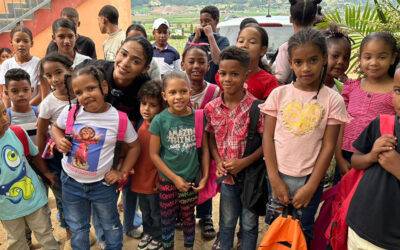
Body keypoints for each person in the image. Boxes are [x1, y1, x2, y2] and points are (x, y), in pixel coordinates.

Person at [261, 28, 349, 246]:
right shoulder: (278, 94)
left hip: (310, 178)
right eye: (298, 62)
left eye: (313, 60)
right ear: (290, 63)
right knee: (275, 228)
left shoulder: (333, 100)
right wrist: (274, 178)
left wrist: (311, 187)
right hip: (278, 175)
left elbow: (328, 146)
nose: (306, 68)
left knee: (303, 230)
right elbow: (268, 138)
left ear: (323, 60)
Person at [52, 64, 141, 250]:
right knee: (77, 227)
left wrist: (122, 172)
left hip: (103, 186)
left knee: (111, 226)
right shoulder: (72, 112)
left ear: (104, 87)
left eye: (91, 88)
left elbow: (134, 146)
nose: (85, 95)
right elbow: (55, 127)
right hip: (70, 182)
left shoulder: (119, 119)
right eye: (78, 92)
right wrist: (59, 139)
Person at [205, 46, 264, 250]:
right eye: (223, 73)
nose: (227, 79)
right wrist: (219, 161)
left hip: (251, 179)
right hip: (228, 179)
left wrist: (244, 162)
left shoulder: (257, 107)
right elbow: (211, 138)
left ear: (245, 75)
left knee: (249, 224)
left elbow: (267, 144)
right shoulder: (211, 108)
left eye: (234, 74)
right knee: (227, 223)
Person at [149, 71, 210, 250]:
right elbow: (154, 154)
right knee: (167, 218)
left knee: (188, 216)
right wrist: (175, 179)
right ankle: (168, 246)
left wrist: (205, 176)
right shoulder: (160, 121)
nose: (178, 97)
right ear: (164, 96)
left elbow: (205, 150)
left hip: (190, 181)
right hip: (168, 181)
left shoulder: (198, 117)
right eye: (173, 92)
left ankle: (189, 246)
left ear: (190, 92)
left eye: (183, 91)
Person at [346, 69, 400, 250]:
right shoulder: (383, 124)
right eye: (398, 91)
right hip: (358, 224)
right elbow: (356, 160)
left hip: (391, 240)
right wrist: (372, 155)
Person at [335, 32, 398, 181]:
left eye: (382, 57)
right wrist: (339, 157)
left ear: (393, 58)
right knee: (341, 198)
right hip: (345, 153)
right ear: (360, 59)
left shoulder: (395, 92)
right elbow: (340, 123)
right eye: (368, 57)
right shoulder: (352, 87)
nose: (374, 63)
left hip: (376, 157)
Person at [0, 99, 59, 250]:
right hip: (7, 209)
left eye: (3, 112)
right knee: (16, 241)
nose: (4, 119)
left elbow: (34, 154)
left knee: (46, 235)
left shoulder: (16, 132)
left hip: (34, 199)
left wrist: (46, 172)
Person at [181, 44, 219, 240]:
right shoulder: (177, 90)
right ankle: (182, 214)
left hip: (205, 148)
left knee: (205, 181)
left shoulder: (215, 91)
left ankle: (205, 217)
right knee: (183, 181)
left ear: (208, 65)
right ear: (182, 64)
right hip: (182, 148)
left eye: (201, 61)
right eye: (191, 61)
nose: (196, 66)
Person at [37, 53, 76, 237]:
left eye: (59, 72)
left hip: (81, 155)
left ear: (71, 69)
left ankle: (79, 226)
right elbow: (41, 137)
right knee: (63, 196)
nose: (55, 79)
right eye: (49, 75)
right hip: (58, 159)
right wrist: (44, 169)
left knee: (79, 194)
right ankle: (69, 231)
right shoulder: (47, 104)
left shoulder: (82, 94)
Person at [131, 80, 164, 250]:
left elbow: (164, 158)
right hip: (139, 178)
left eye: (152, 105)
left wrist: (161, 179)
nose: (146, 109)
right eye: (143, 103)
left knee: (156, 212)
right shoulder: (139, 124)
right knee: (145, 210)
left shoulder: (162, 128)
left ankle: (158, 236)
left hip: (154, 179)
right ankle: (149, 233)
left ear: (161, 107)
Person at [272, 0, 322, 84]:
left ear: (291, 19)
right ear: (314, 19)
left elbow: (280, 79)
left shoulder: (286, 47)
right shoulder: (322, 45)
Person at [186, 5, 230, 84]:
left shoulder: (223, 41)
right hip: (194, 85)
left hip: (215, 84)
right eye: (201, 21)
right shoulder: (193, 37)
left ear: (216, 21)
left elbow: (218, 61)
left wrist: (210, 36)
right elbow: (185, 60)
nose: (203, 24)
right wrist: (196, 38)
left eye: (207, 21)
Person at [0, 26, 41, 107]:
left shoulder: (38, 63)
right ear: (11, 43)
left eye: (25, 41)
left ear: (31, 43)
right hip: (13, 113)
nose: (21, 44)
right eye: (17, 41)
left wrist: (25, 109)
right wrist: (9, 113)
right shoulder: (6, 64)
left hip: (34, 111)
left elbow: (41, 94)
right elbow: (5, 94)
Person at [235, 24, 279, 100]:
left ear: (263, 50)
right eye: (241, 41)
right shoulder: (224, 74)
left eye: (252, 42)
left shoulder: (269, 82)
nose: (244, 45)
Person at [323, 25, 352, 92]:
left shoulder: (344, 90)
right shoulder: (308, 87)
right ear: (322, 56)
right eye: (335, 56)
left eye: (346, 58)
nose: (341, 61)